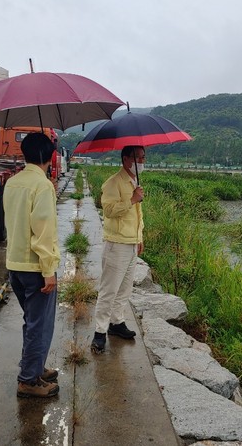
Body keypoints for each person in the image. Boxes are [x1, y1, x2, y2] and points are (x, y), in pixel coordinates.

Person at [4, 132, 61, 398]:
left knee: (32, 321)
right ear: (49, 156)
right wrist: (48, 270)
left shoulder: (13, 182)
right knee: (40, 324)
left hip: (15, 265)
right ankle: (28, 379)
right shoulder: (43, 186)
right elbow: (44, 231)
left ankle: (34, 367)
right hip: (36, 268)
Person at [91, 145, 145, 353]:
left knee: (124, 288)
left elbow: (137, 216)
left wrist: (139, 237)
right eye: (137, 157)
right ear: (125, 159)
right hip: (117, 243)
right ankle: (99, 332)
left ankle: (117, 323)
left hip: (131, 243)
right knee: (109, 290)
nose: (142, 161)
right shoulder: (113, 183)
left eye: (143, 157)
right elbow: (109, 210)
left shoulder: (134, 181)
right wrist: (131, 199)